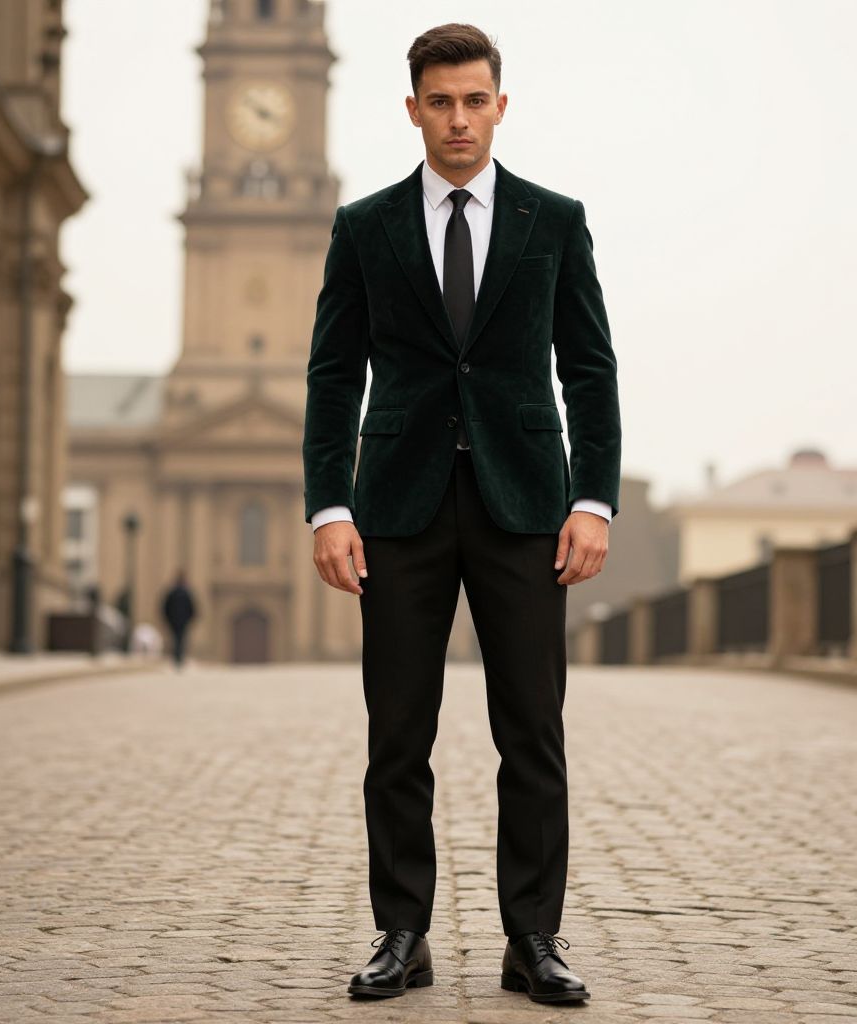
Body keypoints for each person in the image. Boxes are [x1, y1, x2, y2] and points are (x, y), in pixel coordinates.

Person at [302, 23, 621, 1005]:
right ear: (413, 110)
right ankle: (403, 930)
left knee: (531, 726)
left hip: (524, 503)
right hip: (398, 507)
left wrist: (592, 498)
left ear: (499, 106)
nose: (457, 119)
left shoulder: (551, 221)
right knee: (397, 730)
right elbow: (332, 372)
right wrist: (328, 505)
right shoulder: (366, 226)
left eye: (473, 100)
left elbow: (589, 366)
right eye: (439, 102)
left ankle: (534, 938)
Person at [160, 570, 196, 669]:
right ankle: (178, 657)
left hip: (174, 620)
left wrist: (167, 618)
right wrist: (190, 618)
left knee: (176, 638)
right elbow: (192, 608)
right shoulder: (186, 593)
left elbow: (165, 607)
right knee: (180, 639)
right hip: (182, 621)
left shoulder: (173, 592)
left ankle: (177, 657)